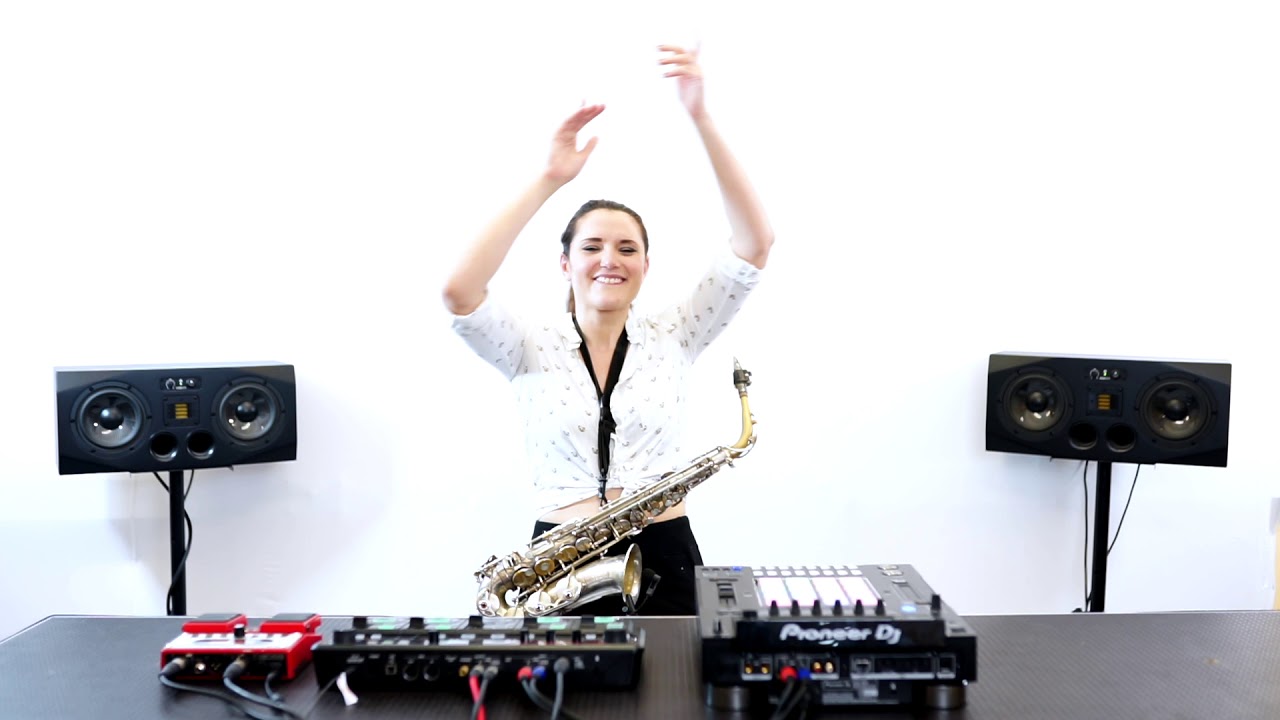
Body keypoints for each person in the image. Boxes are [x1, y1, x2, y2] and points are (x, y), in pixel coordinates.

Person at [442, 44, 774, 615]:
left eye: (626, 248)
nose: (609, 260)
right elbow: (458, 291)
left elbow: (754, 245)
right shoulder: (527, 345)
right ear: (564, 263)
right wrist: (549, 178)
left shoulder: (678, 332)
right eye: (591, 246)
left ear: (646, 264)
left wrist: (701, 117)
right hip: (560, 562)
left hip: (665, 551)